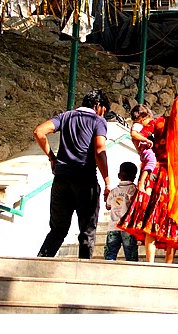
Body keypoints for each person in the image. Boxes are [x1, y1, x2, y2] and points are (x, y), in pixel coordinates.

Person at [117, 93, 178, 264]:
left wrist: (147, 147)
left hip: (156, 176)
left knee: (152, 219)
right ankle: (168, 264)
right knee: (174, 221)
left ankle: (150, 262)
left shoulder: (160, 121)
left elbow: (137, 134)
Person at [33, 88, 111, 259]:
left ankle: (40, 266)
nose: (103, 115)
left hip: (61, 180)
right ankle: (82, 274)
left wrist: (52, 157)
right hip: (85, 180)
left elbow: (39, 132)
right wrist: (107, 182)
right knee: (87, 232)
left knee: (58, 229)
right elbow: (99, 151)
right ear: (98, 106)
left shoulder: (65, 116)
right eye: (104, 110)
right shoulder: (97, 121)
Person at [104, 162, 139, 261]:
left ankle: (108, 272)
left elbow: (108, 206)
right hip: (127, 228)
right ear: (134, 176)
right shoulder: (133, 189)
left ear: (119, 176)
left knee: (110, 254)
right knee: (131, 255)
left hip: (112, 227)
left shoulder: (113, 191)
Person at [129, 104, 156, 193]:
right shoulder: (137, 125)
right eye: (146, 119)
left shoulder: (139, 125)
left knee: (149, 162)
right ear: (142, 118)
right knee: (152, 161)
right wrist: (146, 140)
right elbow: (133, 134)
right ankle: (141, 182)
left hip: (143, 150)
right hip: (145, 149)